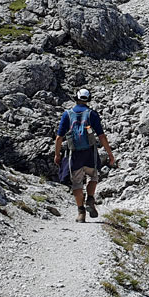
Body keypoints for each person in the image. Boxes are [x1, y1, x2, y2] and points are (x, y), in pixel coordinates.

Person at [54, 89, 116, 222]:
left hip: (74, 154)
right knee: (93, 176)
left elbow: (59, 137)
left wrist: (57, 154)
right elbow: (101, 136)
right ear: (88, 100)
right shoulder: (92, 114)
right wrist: (110, 154)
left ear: (76, 98)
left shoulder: (67, 114)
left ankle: (81, 213)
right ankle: (90, 199)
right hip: (90, 152)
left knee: (76, 183)